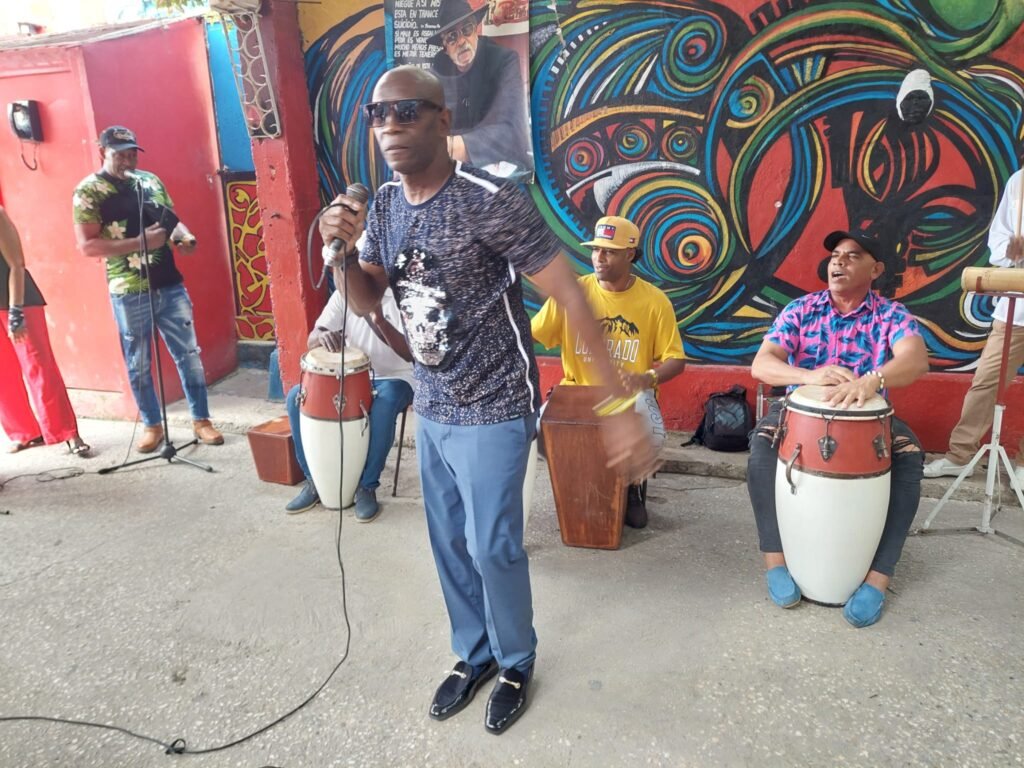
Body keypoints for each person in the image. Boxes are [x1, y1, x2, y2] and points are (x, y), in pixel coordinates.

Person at [318, 65, 656, 734]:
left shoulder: (489, 199)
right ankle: (471, 654)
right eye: (379, 114)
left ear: (444, 120)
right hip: (434, 397)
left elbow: (570, 292)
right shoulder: (384, 204)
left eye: (408, 111)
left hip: (496, 400)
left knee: (492, 544)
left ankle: (515, 661)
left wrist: (618, 409)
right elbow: (368, 296)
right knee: (446, 542)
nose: (391, 125)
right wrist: (343, 258)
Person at [747, 228, 928, 628]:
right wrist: (808, 374)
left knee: (910, 459)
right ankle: (776, 562)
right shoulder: (802, 309)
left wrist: (874, 379)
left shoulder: (890, 315)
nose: (838, 262)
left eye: (851, 255)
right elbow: (762, 365)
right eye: (834, 256)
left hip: (869, 418)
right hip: (798, 412)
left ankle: (878, 579)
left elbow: (916, 361)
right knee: (760, 450)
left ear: (875, 268)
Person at [72, 126, 223, 453]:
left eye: (131, 153)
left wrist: (184, 238)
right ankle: (152, 425)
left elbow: (170, 220)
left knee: (190, 355)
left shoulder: (149, 181)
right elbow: (87, 246)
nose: (127, 159)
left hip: (169, 284)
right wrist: (140, 243)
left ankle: (202, 420)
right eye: (119, 153)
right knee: (138, 362)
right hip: (128, 289)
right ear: (102, 151)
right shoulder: (89, 191)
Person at [532, 215, 686, 528]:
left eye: (609, 251)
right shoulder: (574, 293)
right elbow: (532, 334)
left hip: (632, 396)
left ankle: (630, 487)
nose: (598, 258)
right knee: (536, 433)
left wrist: (649, 378)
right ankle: (581, 483)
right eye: (595, 250)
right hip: (576, 391)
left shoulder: (655, 302)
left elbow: (676, 359)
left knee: (652, 436)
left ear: (630, 254)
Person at [924, 168, 1024, 485]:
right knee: (987, 381)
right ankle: (959, 456)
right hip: (1018, 306)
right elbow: (999, 238)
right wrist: (1009, 250)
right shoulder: (1020, 181)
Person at [285, 285, 414, 522]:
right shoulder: (344, 294)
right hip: (352, 375)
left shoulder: (404, 294)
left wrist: (378, 318)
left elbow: (410, 354)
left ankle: (367, 485)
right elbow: (312, 337)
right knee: (296, 398)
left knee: (383, 406)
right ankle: (314, 481)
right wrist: (321, 336)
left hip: (397, 375)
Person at [0, 206, 90, 456]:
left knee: (38, 366)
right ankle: (25, 433)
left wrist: (16, 311)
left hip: (17, 301)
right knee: (2, 377)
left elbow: (16, 265)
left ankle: (68, 433)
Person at [428, 0, 531, 177]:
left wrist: (455, 146)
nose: (461, 41)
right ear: (445, 47)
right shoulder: (435, 76)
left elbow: (512, 130)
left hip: (504, 174)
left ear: (476, 30)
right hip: (453, 174)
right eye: (452, 37)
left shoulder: (503, 61)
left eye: (466, 30)